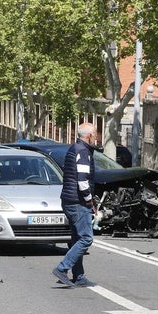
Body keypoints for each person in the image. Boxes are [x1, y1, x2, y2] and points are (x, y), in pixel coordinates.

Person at [53, 122, 98, 288]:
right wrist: (89, 200)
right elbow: (82, 180)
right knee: (86, 238)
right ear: (89, 136)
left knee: (77, 238)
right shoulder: (83, 151)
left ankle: (79, 277)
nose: (97, 137)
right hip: (78, 202)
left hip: (69, 200)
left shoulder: (75, 148)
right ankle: (62, 268)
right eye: (95, 134)